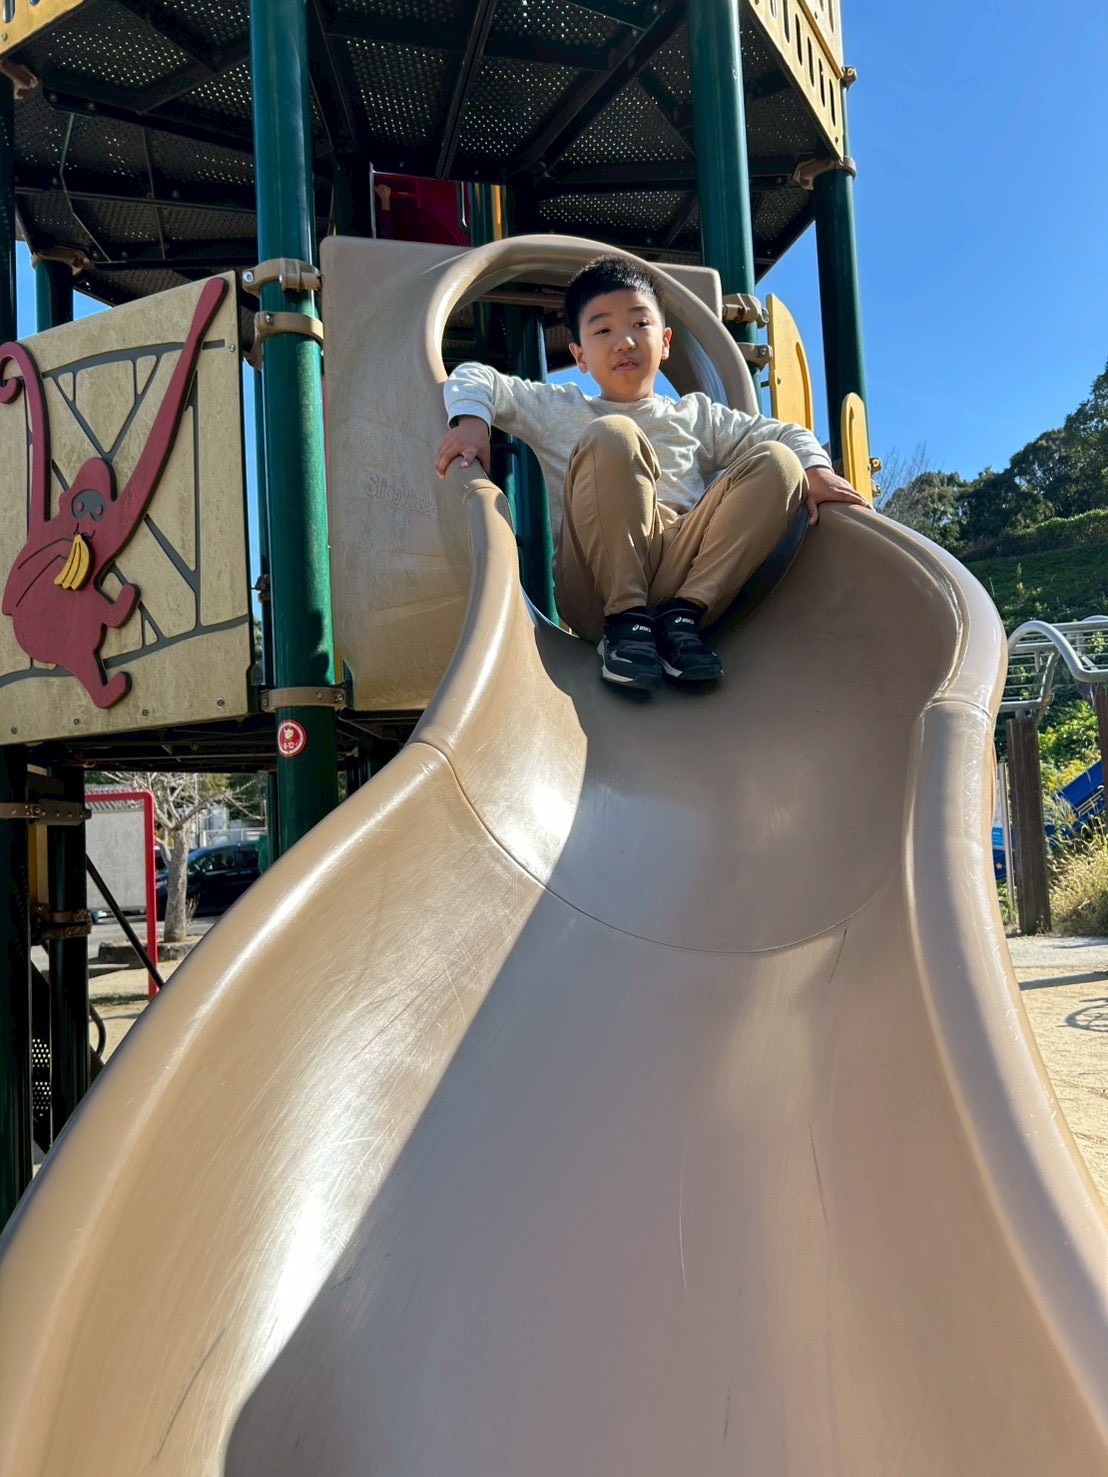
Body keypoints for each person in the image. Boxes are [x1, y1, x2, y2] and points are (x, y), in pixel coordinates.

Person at [436, 254, 867, 691]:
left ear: (665, 342)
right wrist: (472, 422)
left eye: (640, 324)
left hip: (681, 578)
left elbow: (784, 433)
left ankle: (684, 618)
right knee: (614, 434)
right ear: (580, 355)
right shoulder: (560, 408)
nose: (624, 341)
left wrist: (815, 468)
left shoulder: (696, 417)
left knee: (779, 462)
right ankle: (626, 622)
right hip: (595, 591)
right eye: (603, 330)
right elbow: (475, 375)